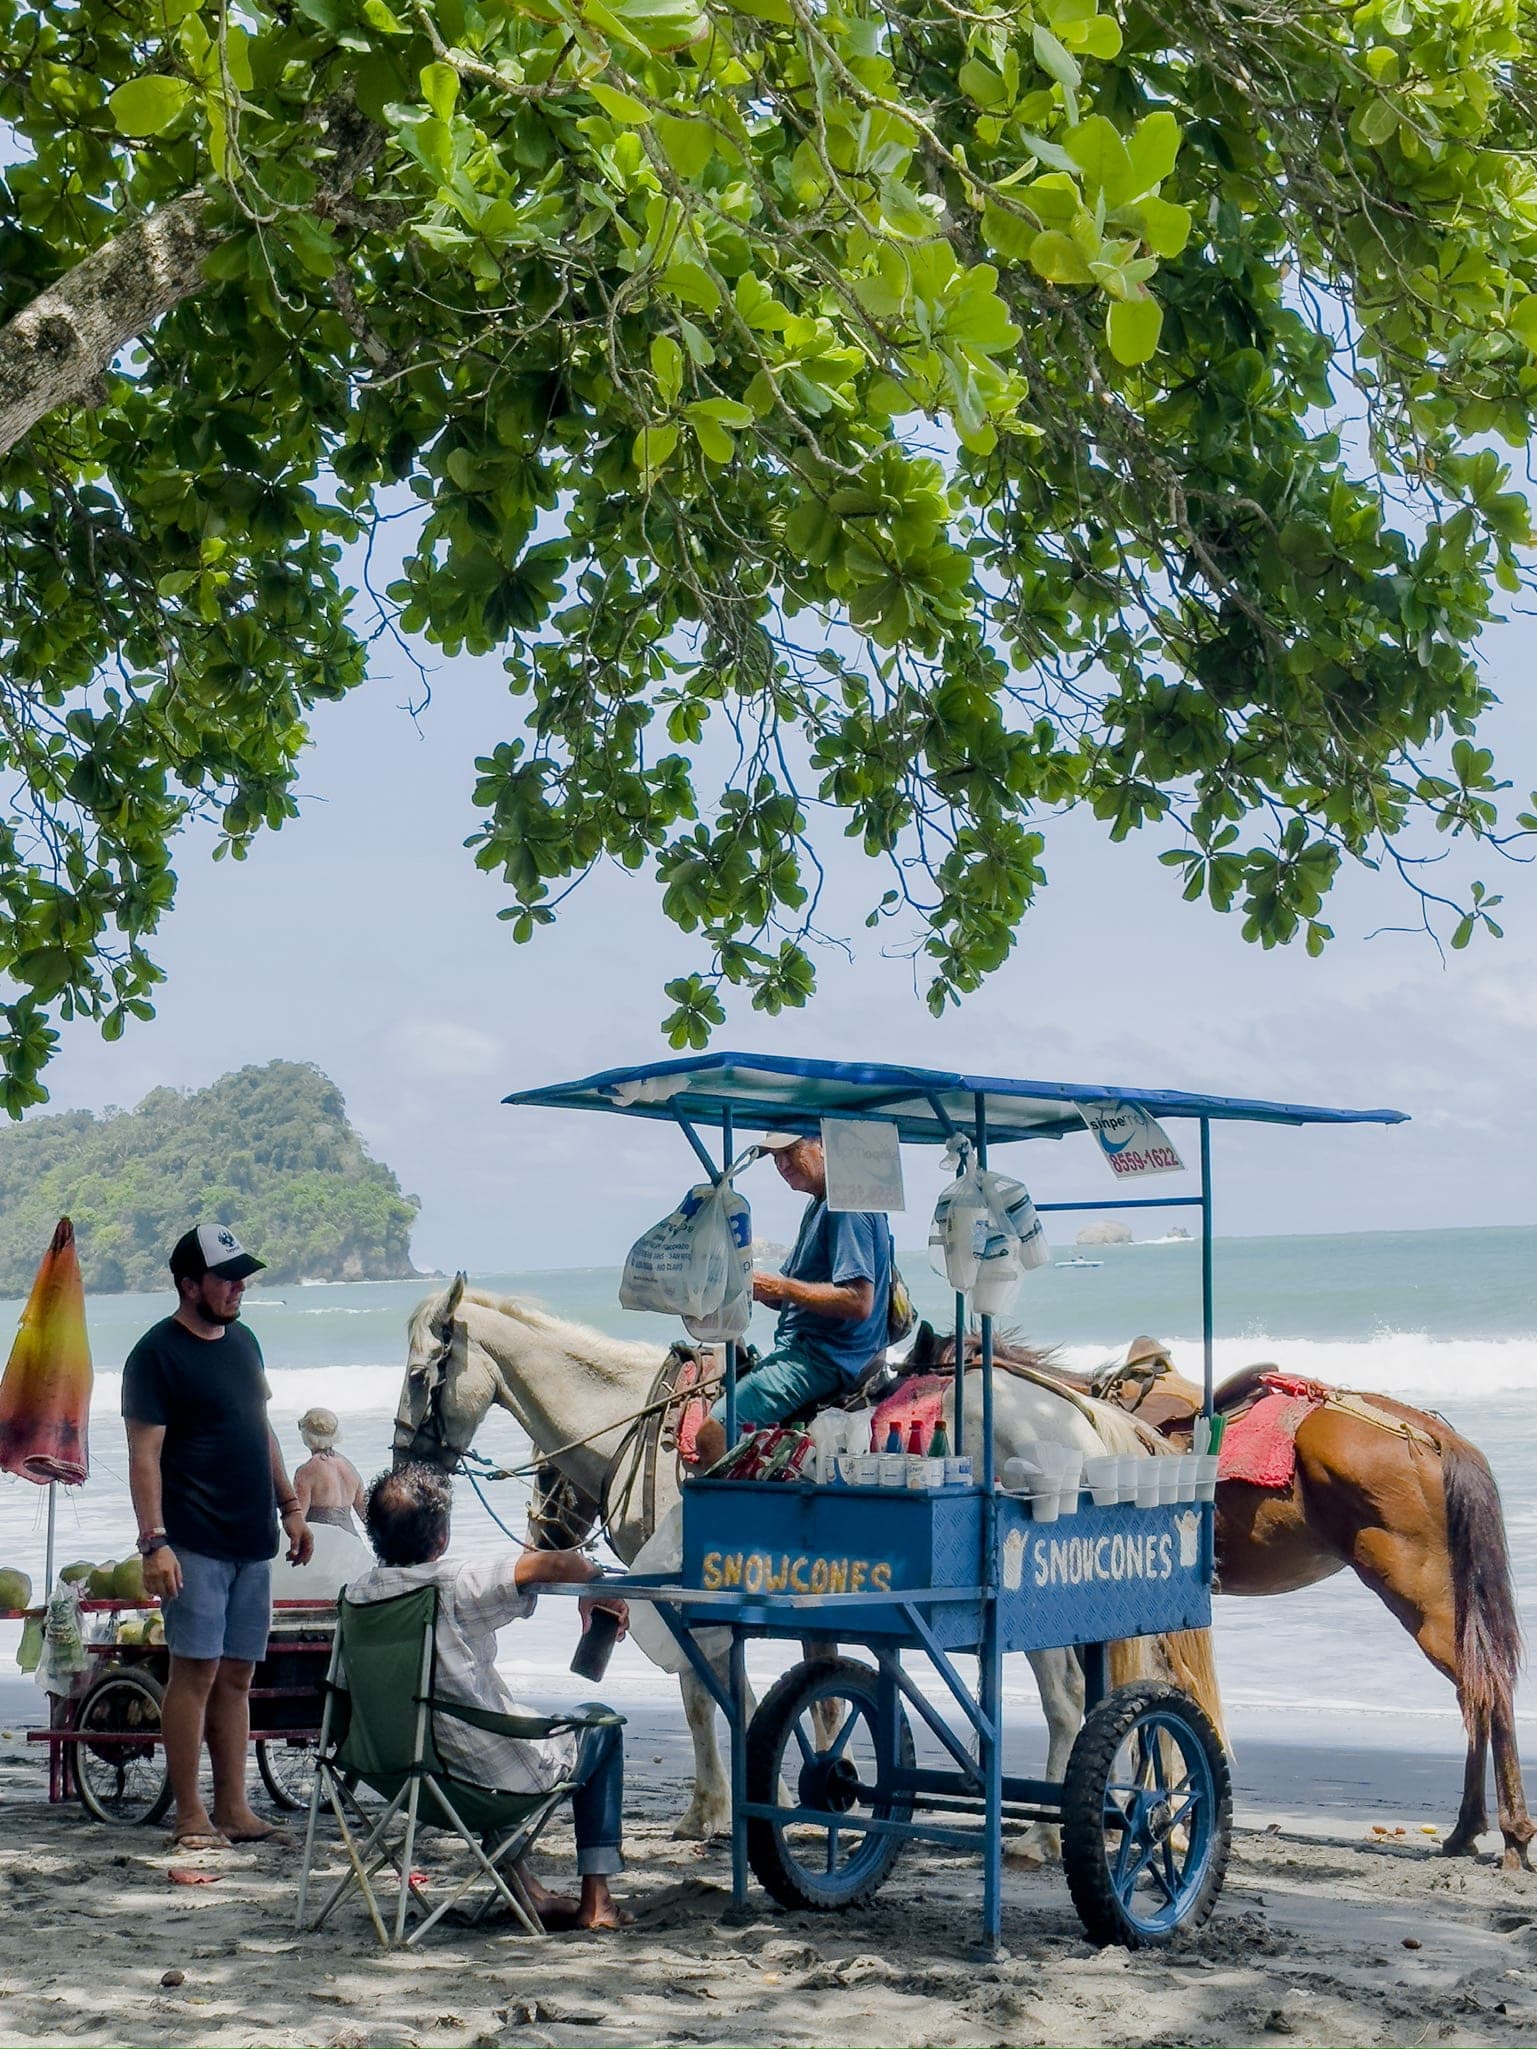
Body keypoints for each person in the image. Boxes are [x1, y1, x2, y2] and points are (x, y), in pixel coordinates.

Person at [348, 1464, 630, 1931]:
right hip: (473, 1783)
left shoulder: (356, 1596)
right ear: (440, 1538)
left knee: (477, 1729)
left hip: (395, 1774)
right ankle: (597, 1901)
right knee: (599, 1724)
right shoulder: (454, 1585)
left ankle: (526, 1891)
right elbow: (560, 1564)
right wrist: (595, 1581)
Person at [122, 1225, 314, 1850]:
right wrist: (154, 1543)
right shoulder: (155, 1355)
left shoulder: (244, 1342)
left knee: (237, 1677)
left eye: (242, 1276)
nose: (239, 1286)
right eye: (227, 1277)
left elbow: (261, 1429)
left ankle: (234, 1809)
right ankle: (190, 1817)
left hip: (252, 1538)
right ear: (188, 1285)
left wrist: (289, 1505)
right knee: (195, 1673)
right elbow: (144, 1457)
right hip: (193, 1540)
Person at [694, 1131, 892, 1468]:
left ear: (824, 1146)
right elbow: (789, 1291)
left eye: (791, 1152)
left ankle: (746, 1521)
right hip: (810, 1348)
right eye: (774, 1158)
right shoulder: (819, 1204)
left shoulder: (845, 1207)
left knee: (713, 1434)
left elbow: (859, 1301)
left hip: (825, 1358)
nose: (782, 1164)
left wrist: (781, 1288)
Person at [292, 1408, 366, 1533]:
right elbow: (366, 1514)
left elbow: (297, 1520)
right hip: (351, 1541)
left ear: (307, 1435)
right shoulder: (348, 1466)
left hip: (323, 1541)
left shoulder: (306, 1472)